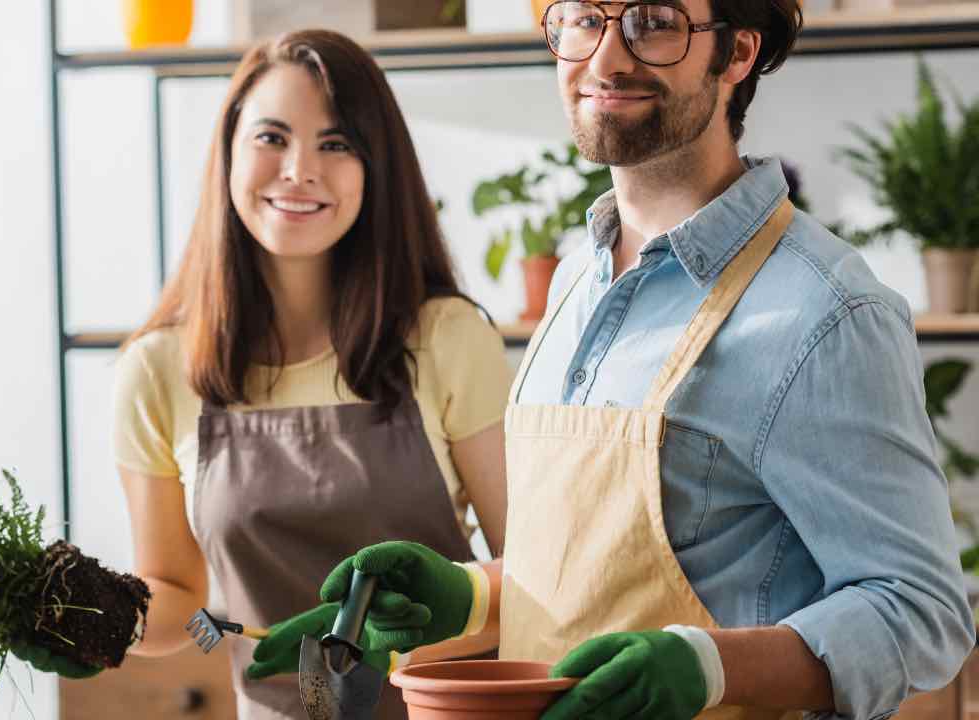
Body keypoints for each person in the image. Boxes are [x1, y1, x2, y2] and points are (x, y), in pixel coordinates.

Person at [290, 2, 977, 719]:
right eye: (585, 18)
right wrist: (469, 596)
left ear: (737, 52)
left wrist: (712, 668)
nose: (607, 59)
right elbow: (594, 574)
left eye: (653, 21)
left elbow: (923, 611)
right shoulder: (574, 282)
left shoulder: (825, 312)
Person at [110, 29, 512, 719]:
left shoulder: (447, 339)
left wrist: (387, 643)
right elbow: (175, 589)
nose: (298, 170)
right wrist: (81, 619)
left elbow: (537, 580)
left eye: (336, 144)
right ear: (229, 152)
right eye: (272, 138)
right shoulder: (157, 370)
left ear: (375, 168)